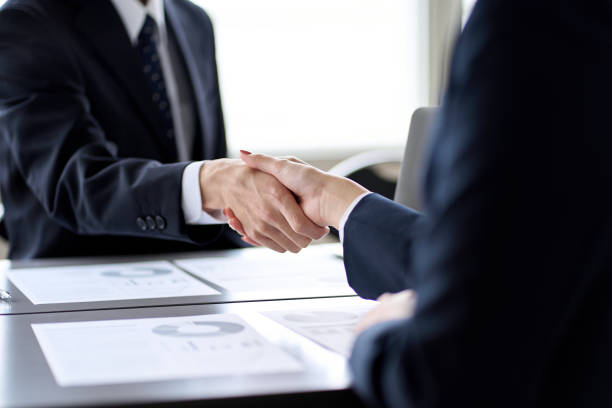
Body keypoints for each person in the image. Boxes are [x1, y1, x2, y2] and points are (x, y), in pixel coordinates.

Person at [228, 0, 612, 406]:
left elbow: (448, 374)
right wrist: (337, 201)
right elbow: (520, 254)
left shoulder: (538, 20)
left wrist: (381, 333)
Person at [0, 0, 326, 259]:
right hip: (74, 288)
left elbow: (203, 158)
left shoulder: (193, 20)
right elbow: (74, 185)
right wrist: (212, 183)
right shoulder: (27, 22)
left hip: (199, 282)